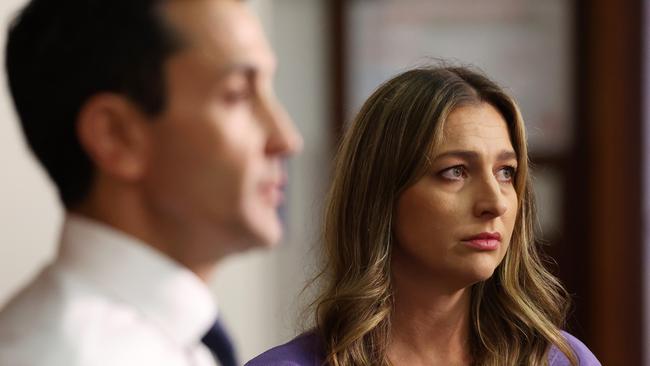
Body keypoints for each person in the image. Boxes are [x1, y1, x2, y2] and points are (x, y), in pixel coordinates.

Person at [0, 0, 302, 365]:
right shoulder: (62, 355)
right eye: (237, 95)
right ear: (115, 135)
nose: (287, 138)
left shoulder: (175, 344)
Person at [246, 66, 600, 366]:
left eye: (506, 172)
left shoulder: (564, 360)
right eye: (455, 171)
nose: (496, 203)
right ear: (381, 194)